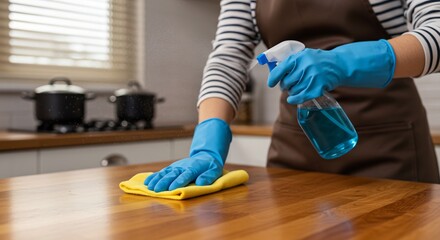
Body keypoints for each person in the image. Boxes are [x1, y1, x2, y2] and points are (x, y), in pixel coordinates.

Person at [145, 0, 440, 192]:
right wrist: (207, 140)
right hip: (294, 157)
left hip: (389, 154)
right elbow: (229, 57)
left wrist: (345, 61)